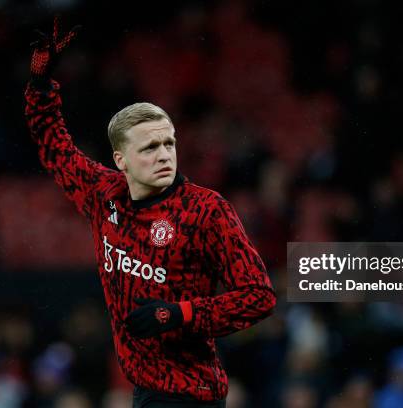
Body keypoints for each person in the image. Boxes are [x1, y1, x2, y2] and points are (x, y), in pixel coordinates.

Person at [25, 18, 276, 408]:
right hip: (144, 390)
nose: (163, 154)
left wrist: (180, 314)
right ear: (120, 159)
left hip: (190, 394)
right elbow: (54, 147)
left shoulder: (206, 211)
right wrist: (41, 85)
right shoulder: (102, 194)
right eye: (149, 147)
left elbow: (259, 296)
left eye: (168, 143)